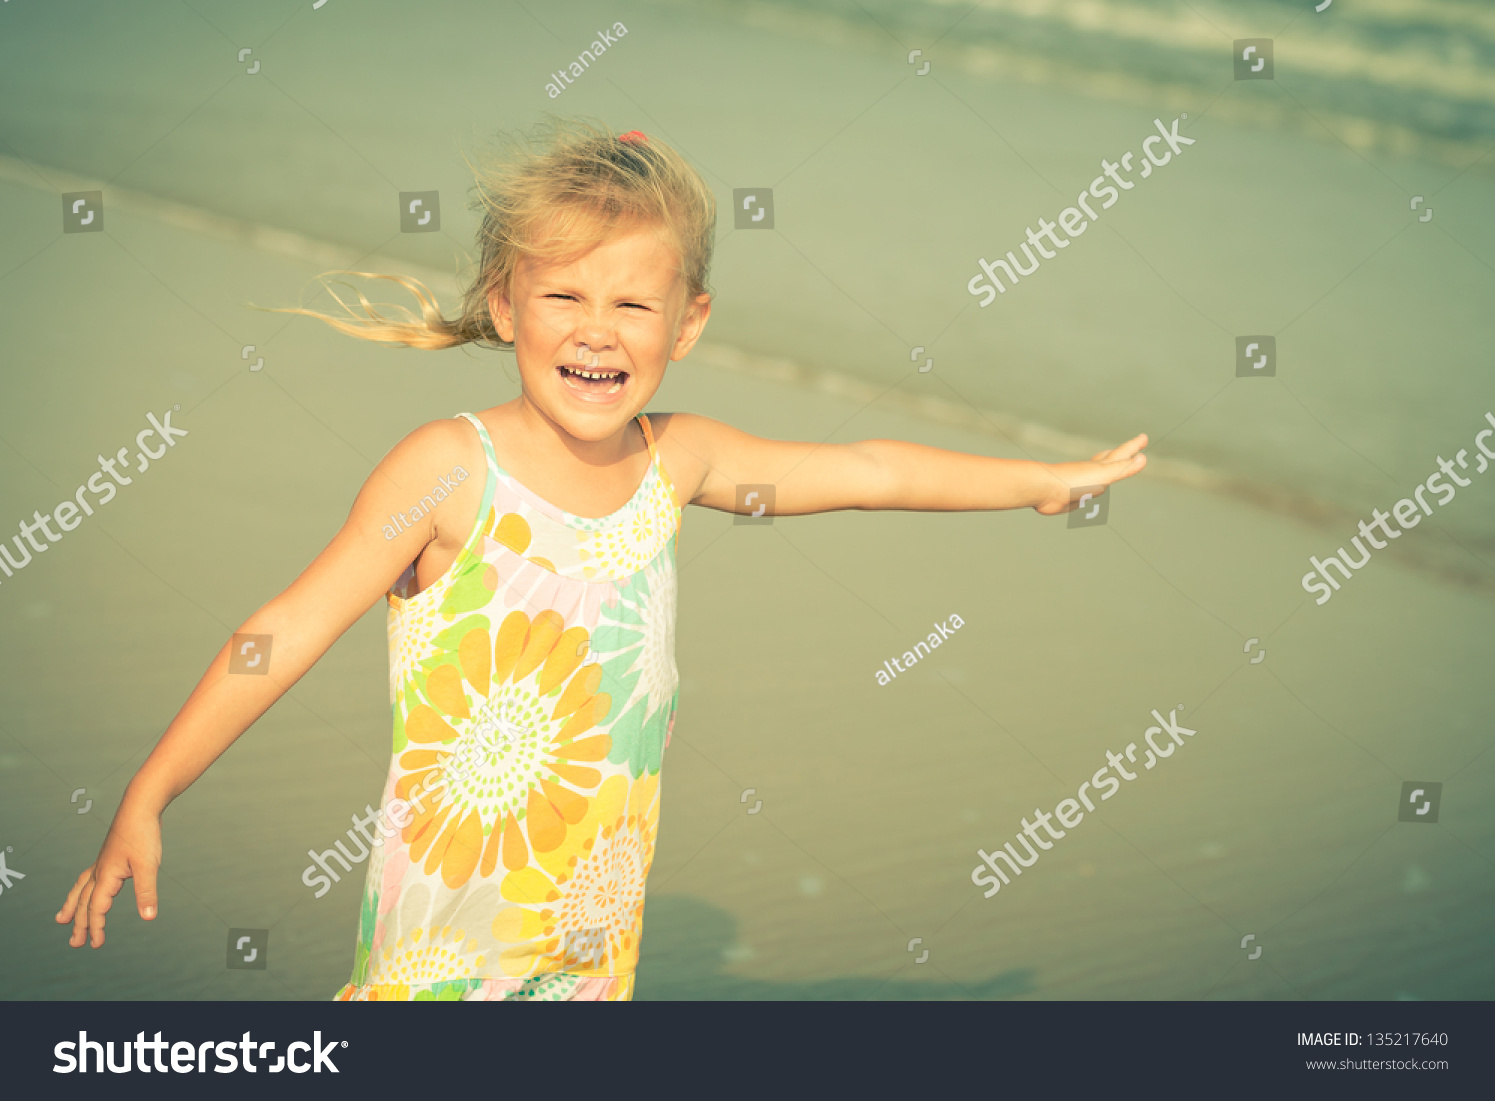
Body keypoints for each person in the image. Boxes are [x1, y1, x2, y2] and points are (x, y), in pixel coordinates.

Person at [56, 119, 1147, 1001]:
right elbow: (281, 631)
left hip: (590, 943)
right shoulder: (450, 470)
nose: (598, 330)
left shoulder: (679, 460)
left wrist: (1036, 480)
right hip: (440, 954)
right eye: (563, 298)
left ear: (689, 322)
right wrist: (152, 791)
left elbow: (867, 468)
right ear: (504, 306)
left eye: (633, 304)